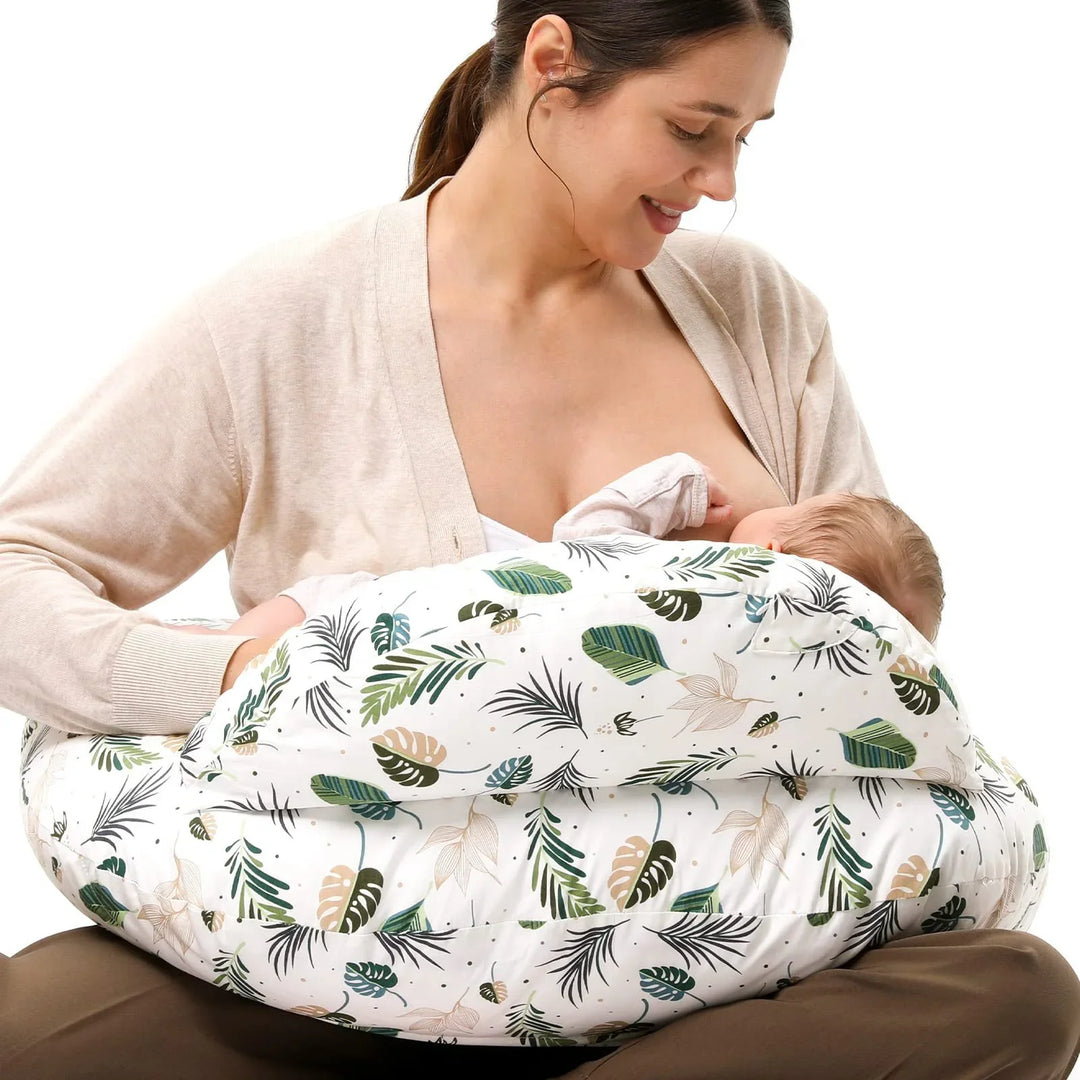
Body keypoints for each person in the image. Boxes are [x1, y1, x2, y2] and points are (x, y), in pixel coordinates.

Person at [1, 2, 1078, 1077]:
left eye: (746, 138)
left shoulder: (755, 312)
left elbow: (878, 664)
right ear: (554, 64)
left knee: (1016, 992)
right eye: (695, 128)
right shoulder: (293, 316)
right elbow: (18, 572)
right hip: (358, 966)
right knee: (37, 1024)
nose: (723, 183)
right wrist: (237, 672)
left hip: (710, 982)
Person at [184, 451, 943, 652]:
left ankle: (192, 653)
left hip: (400, 611)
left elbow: (585, 539)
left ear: (773, 546)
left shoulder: (694, 581)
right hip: (434, 627)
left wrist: (672, 487)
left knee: (288, 626)